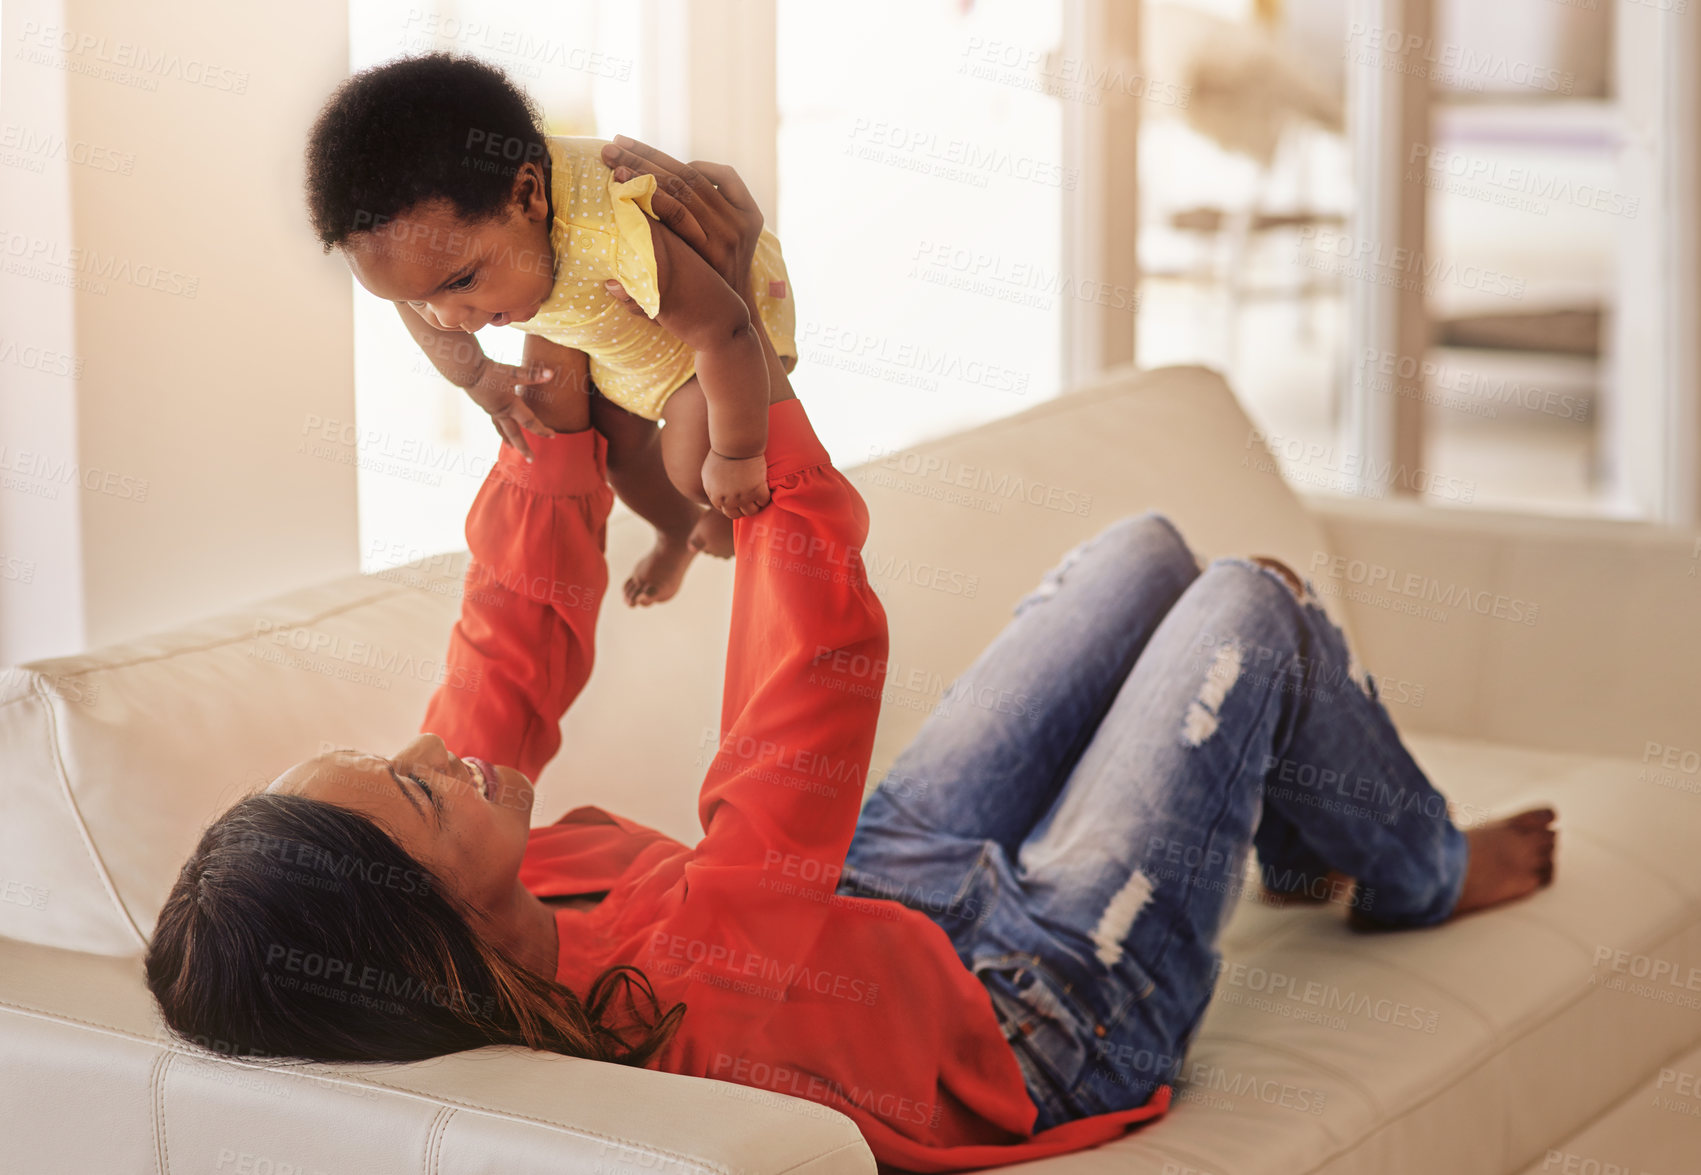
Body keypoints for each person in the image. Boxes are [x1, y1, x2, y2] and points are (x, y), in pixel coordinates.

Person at [149, 142, 1558, 1172]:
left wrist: (560, 404)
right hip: (1040, 1003)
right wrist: (745, 374)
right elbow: (801, 689)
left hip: (884, 902)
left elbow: (511, 636)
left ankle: (1297, 819)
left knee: (1141, 552)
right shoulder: (690, 984)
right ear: (423, 934)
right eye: (409, 789)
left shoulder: (514, 862)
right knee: (1251, 608)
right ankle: (1415, 868)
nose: (427, 747)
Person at [304, 52, 799, 606]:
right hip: (618, 343)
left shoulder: (615, 233)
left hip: (702, 347)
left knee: (693, 469)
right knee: (618, 455)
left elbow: (728, 330)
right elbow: (422, 300)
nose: (445, 318)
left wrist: (737, 457)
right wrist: (476, 378)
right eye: (416, 300)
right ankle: (676, 533)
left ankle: (715, 506)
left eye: (463, 280)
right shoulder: (451, 256)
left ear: (528, 195)